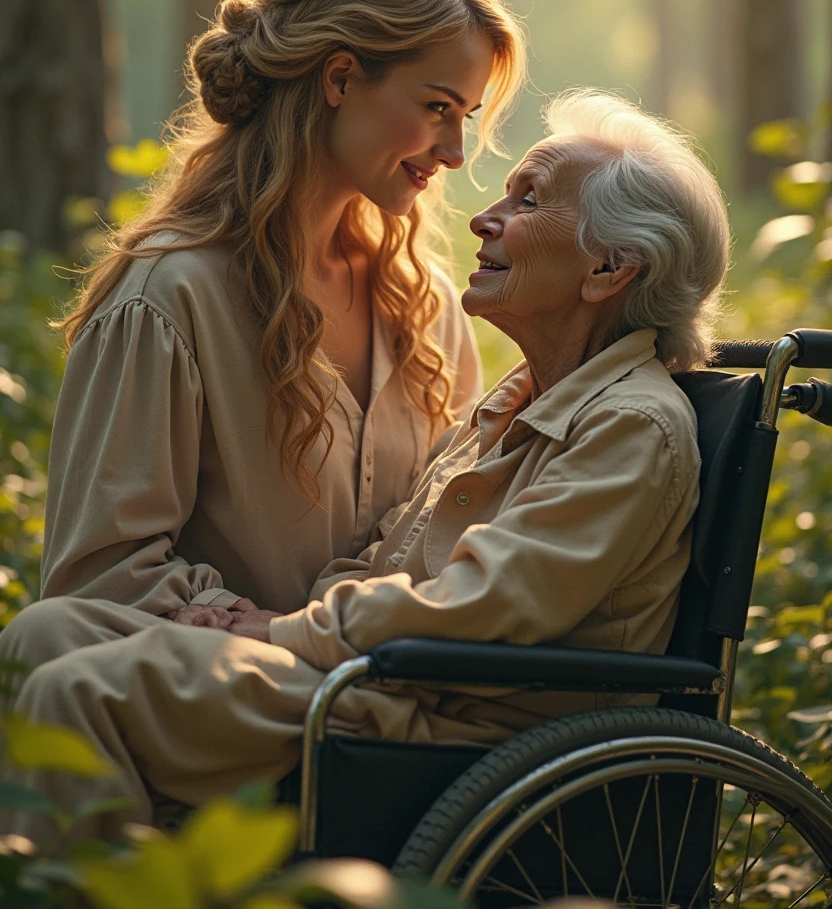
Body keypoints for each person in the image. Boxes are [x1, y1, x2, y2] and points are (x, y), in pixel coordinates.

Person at [1, 90, 730, 843]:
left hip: (451, 724)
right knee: (44, 638)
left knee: (78, 692)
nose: (486, 215)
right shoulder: (513, 407)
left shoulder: (633, 425)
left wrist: (282, 632)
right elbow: (385, 553)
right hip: (380, 678)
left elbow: (486, 606)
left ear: (609, 268)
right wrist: (256, 623)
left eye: (529, 199)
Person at [38, 0, 526, 624]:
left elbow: (452, 540)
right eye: (436, 108)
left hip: (389, 713)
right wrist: (265, 636)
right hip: (210, 709)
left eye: (466, 117)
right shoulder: (167, 302)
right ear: (339, 78)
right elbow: (97, 579)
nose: (455, 152)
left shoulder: (425, 310)